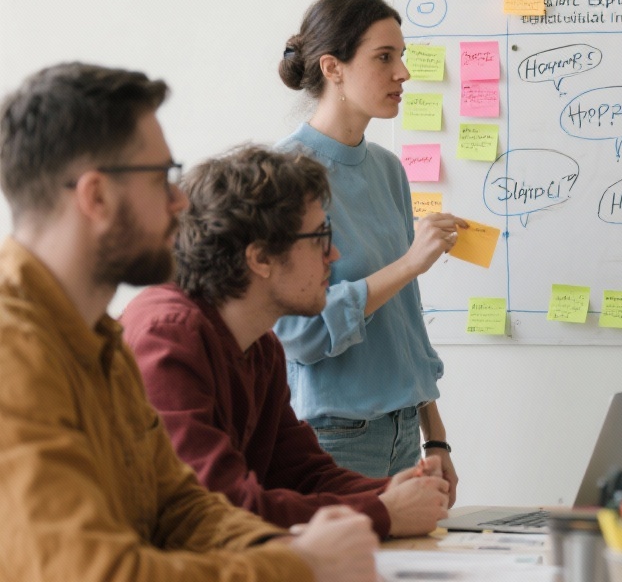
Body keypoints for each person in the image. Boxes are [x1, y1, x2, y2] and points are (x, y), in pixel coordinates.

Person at [0, 63, 377, 581]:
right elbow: (97, 573)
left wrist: (304, 549)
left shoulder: (99, 338)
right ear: (96, 198)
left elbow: (181, 508)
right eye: (162, 178)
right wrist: (297, 564)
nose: (180, 203)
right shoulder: (12, 351)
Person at [120, 145, 451, 539]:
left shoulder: (258, 343)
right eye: (319, 237)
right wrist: (380, 511)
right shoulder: (168, 337)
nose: (334, 253)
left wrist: (390, 490)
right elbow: (220, 507)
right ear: (260, 258)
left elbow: (300, 471)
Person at [275, 0, 467, 493]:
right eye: (385, 57)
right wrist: (408, 263)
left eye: (401, 56)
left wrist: (437, 439)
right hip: (333, 436)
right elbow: (299, 335)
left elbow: (403, 320)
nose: (402, 72)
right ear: (333, 67)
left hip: (405, 434)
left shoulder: (388, 170)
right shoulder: (285, 176)